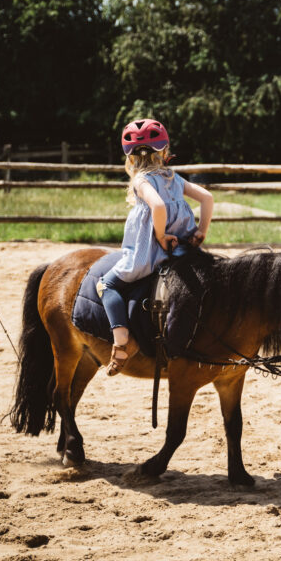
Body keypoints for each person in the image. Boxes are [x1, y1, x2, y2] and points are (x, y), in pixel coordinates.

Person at [98, 118, 214, 376]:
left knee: (106, 284)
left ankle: (120, 342)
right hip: (182, 250)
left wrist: (161, 236)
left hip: (152, 252)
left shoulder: (142, 181)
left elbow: (158, 206)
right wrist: (201, 231)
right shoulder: (175, 178)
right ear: (164, 152)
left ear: (130, 159)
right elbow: (207, 197)